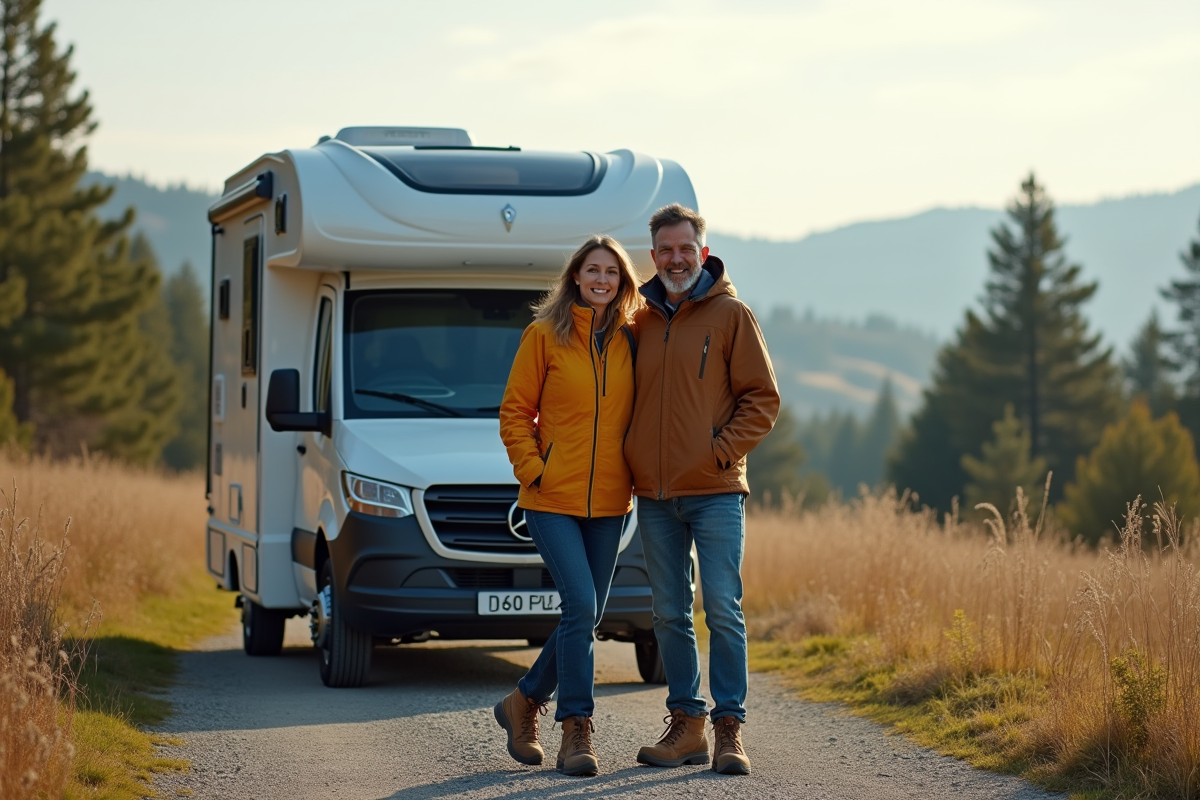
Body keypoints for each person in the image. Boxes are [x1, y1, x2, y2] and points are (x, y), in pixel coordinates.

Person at [624, 204, 780, 776]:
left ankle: (729, 729)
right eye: (665, 250)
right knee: (669, 613)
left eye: (685, 248)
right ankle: (687, 725)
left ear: (703, 252)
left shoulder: (731, 315)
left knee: (722, 608)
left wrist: (719, 452)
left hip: (715, 489)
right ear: (653, 256)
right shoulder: (639, 321)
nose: (676, 259)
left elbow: (763, 399)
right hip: (655, 495)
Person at [494, 235, 642, 777]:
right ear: (575, 277)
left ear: (622, 282)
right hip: (551, 498)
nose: (602, 279)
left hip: (610, 503)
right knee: (581, 605)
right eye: (592, 270)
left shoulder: (634, 338)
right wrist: (536, 470)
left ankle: (524, 700)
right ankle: (576, 729)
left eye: (611, 272)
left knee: (588, 613)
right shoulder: (544, 335)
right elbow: (514, 412)